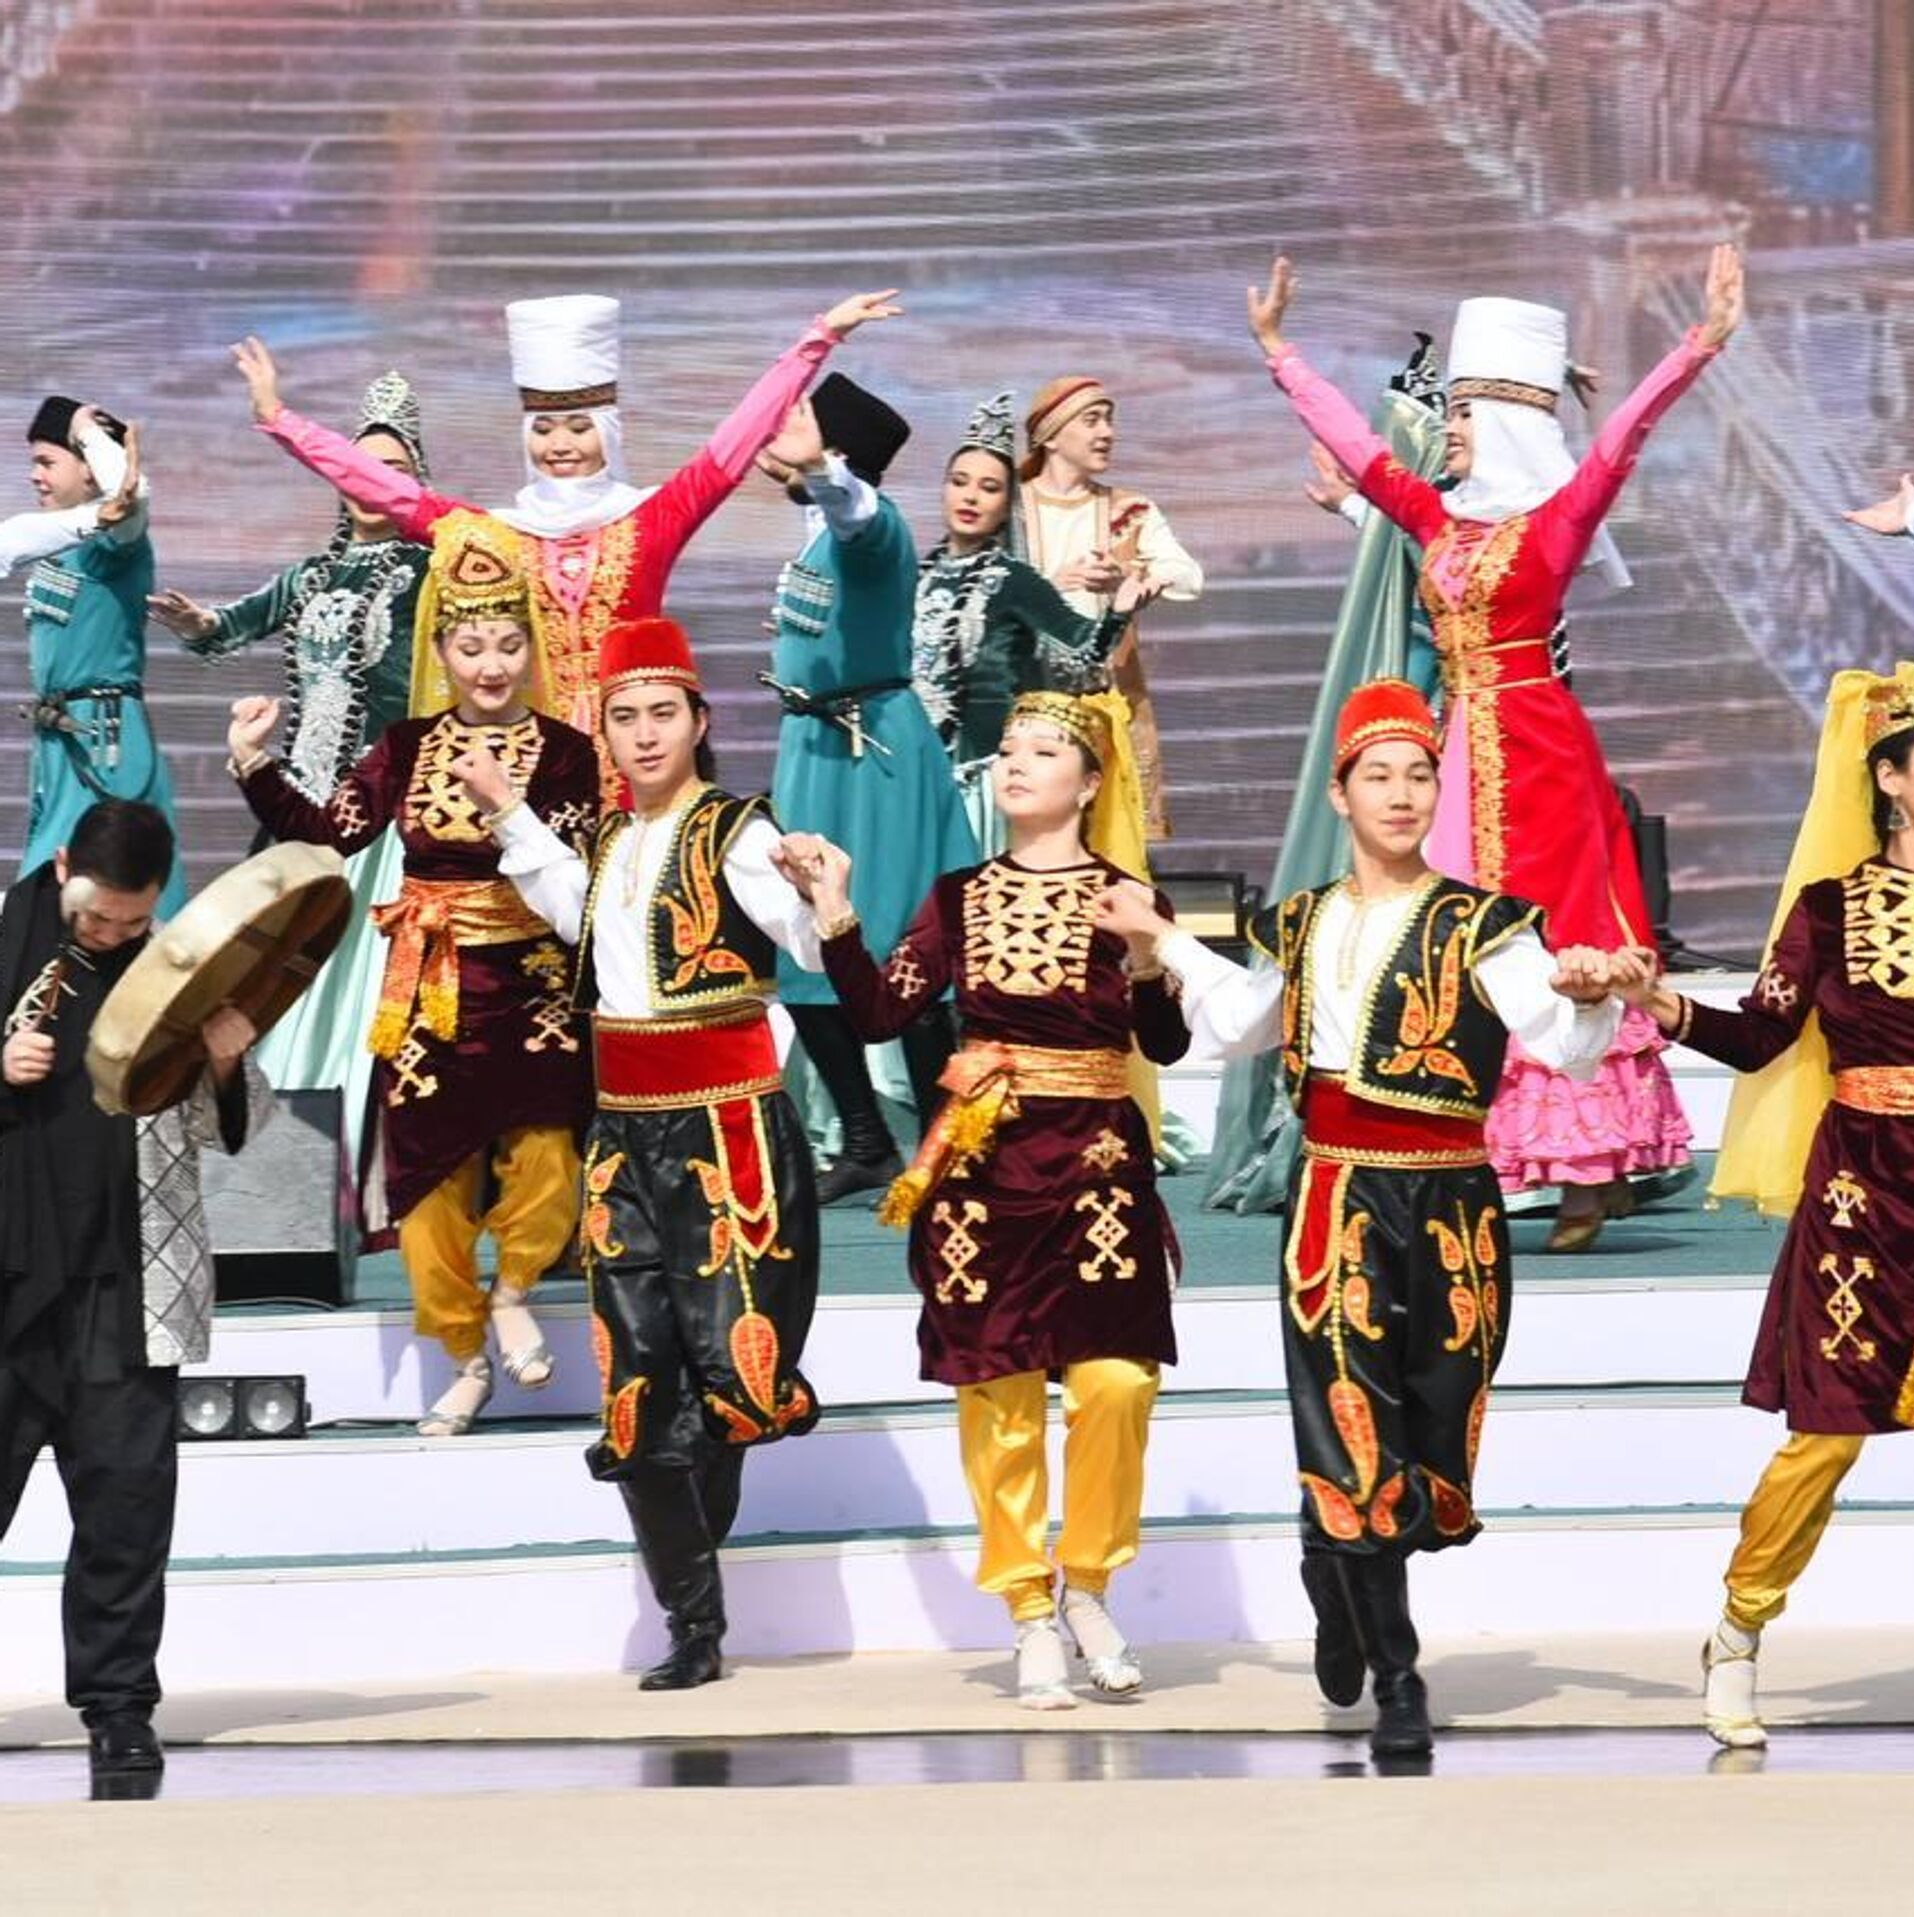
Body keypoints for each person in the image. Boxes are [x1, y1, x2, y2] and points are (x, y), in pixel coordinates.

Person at [1094, 679, 1637, 1757]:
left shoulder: (1482, 924)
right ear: (1339, 795)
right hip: (1335, 1194)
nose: (1400, 793)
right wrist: (1164, 943)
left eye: (1418, 774)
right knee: (1349, 1417)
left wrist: (1590, 993)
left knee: (1434, 1422)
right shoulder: (1303, 922)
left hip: (1451, 1205)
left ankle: (1329, 1564)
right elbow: (1240, 1025)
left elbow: (1564, 1043)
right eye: (1378, 775)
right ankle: (1398, 1674)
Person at [1244, 249, 1744, 1247]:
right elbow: (1363, 453)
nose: (1452, 432)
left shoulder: (1555, 523)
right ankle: (1486, 1152)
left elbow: (1622, 439)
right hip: (1459, 750)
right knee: (1460, 941)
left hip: (1539, 749)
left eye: (1465, 416)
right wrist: (1280, 354)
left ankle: (1587, 1171)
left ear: (1510, 423)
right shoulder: (1440, 519)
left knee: (1554, 937)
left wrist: (1700, 344)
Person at [781, 692, 1190, 1708]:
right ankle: (1027, 1609)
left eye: (1045, 750)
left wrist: (1148, 956)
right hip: (983, 1172)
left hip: (1097, 1166)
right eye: (1007, 747)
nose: (1016, 762)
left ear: (1089, 783)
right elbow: (881, 1012)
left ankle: (1088, 1582)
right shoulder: (958, 896)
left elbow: (1166, 1044)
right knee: (998, 1394)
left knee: (1116, 1384)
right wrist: (835, 905)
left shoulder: (1128, 896)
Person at [462, 615, 825, 1691]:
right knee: (634, 1381)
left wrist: (819, 888)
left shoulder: (739, 832)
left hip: (729, 1129)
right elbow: (579, 916)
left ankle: (694, 1594)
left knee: (731, 1373)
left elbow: (806, 939)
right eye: (625, 717)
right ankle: (693, 1622)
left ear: (700, 722)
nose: (645, 733)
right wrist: (508, 809)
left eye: (664, 712)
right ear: (606, 733)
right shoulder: (615, 843)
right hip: (625, 1134)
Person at [231, 290, 902, 800]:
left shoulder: (650, 519)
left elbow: (733, 441)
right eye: (545, 429)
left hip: (640, 755)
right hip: (527, 765)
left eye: (579, 427)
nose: (559, 445)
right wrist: (281, 421)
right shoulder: (494, 532)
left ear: (607, 432)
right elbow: (385, 489)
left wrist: (819, 339)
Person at [228, 515, 597, 1435]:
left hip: (535, 984)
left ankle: (513, 1290)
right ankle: (465, 1355)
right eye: (471, 647)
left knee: (549, 1156)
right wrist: (253, 763)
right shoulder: (405, 745)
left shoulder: (567, 752)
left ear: (532, 649)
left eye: (508, 645)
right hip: (429, 983)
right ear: (440, 651)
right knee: (427, 1179)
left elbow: (572, 872)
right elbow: (330, 833)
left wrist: (504, 804)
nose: (491, 666)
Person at [1620, 665, 1914, 1750]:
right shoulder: (1830, 909)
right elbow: (1759, 1034)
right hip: (1864, 1194)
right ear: (1890, 777)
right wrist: (1661, 1003)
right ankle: (1740, 1629)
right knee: (1827, 1440)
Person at [0, 799, 270, 1779]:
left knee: (125, 1511)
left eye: (131, 918)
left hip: (127, 1284)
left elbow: (233, 1131)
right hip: (10, 1280)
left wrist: (227, 1061)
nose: (111, 933)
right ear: (61, 867)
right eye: (97, 915)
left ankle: (118, 1707)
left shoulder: (179, 974)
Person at [149, 371, 433, 1200]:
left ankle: (367, 1169)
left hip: (378, 816)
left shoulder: (434, 571)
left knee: (363, 984)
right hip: (293, 812)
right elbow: (228, 628)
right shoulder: (309, 575)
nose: (369, 481)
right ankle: (273, 1164)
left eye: (389, 469)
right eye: (355, 464)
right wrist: (197, 623)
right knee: (272, 976)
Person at [1206, 335, 1449, 1215]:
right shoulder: (1428, 527)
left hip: (1476, 747)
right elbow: (1415, 566)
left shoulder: (1475, 524)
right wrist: (1283, 361)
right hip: (1427, 739)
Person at [757, 373, 979, 1202]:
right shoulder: (815, 536)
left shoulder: (871, 527)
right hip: (815, 746)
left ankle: (940, 1141)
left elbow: (856, 511)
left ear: (837, 451)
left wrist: (823, 471)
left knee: (899, 944)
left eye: (803, 424)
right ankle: (864, 1136)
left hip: (873, 754)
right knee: (803, 945)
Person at [912, 390, 1142, 854]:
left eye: (989, 488)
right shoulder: (915, 576)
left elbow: (1083, 653)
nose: (970, 496)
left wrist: (1119, 611)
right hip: (918, 771)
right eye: (959, 482)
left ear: (1007, 505)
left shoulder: (1015, 579)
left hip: (984, 777)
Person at [12, 400, 186, 919]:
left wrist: (86, 432)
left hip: (103, 743)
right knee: (49, 895)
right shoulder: (59, 542)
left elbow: (128, 504)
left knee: (109, 886)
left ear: (88, 469)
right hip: (61, 742)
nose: (35, 475)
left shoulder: (115, 546)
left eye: (47, 462)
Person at [1018, 376, 1203, 841]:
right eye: (1092, 420)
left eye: (1109, 421)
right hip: (1023, 701)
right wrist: (1048, 586)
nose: (1107, 433)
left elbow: (1188, 577)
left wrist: (1131, 579)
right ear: (1050, 435)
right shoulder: (1011, 510)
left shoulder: (1129, 511)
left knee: (1105, 842)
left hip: (1104, 700)